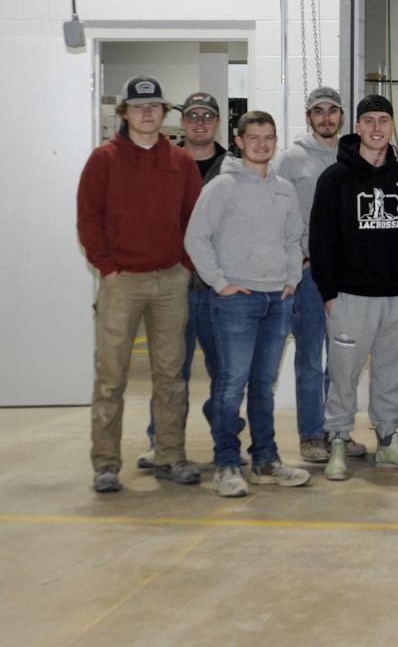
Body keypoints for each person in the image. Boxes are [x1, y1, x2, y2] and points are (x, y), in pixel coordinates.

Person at [77, 76, 203, 493]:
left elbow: (194, 219)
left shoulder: (181, 162)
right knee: (111, 376)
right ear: (125, 113)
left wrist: (184, 266)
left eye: (153, 107)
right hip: (122, 282)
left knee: (171, 375)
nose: (146, 113)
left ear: (163, 112)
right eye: (137, 107)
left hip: (170, 280)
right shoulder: (103, 159)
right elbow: (89, 218)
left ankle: (170, 455)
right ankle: (106, 464)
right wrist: (107, 268)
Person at [185, 110, 310, 497]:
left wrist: (292, 279)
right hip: (236, 302)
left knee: (263, 385)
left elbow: (293, 240)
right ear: (239, 141)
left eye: (269, 137)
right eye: (254, 137)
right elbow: (196, 239)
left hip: (277, 300)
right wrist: (220, 284)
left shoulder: (284, 189)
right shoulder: (222, 187)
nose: (262, 144)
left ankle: (266, 459)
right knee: (230, 385)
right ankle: (226, 463)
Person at [308, 94, 398, 480]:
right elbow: (321, 240)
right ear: (357, 127)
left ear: (392, 127)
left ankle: (389, 442)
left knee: (393, 376)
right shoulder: (335, 178)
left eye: (383, 120)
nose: (377, 128)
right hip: (350, 299)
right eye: (369, 121)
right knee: (343, 377)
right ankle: (339, 441)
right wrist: (329, 294)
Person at [137, 91, 233, 469]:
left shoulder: (233, 167)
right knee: (169, 371)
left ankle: (225, 444)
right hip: (172, 285)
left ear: (217, 122)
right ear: (182, 122)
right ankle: (159, 442)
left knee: (224, 373)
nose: (199, 122)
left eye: (207, 116)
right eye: (192, 116)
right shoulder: (165, 164)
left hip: (218, 288)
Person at [277, 86, 367, 464]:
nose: (326, 117)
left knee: (343, 359)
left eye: (333, 110)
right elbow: (277, 211)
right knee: (311, 358)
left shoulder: (355, 158)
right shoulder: (291, 160)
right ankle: (312, 436)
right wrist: (295, 256)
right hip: (311, 276)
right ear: (309, 116)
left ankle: (337, 433)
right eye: (319, 111)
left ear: (342, 116)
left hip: (349, 277)